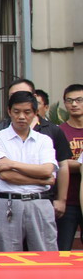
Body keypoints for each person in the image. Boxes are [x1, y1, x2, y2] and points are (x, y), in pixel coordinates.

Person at [0, 77, 72, 279]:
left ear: (36, 113)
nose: (22, 117)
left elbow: (48, 171)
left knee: (49, 265)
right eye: (17, 112)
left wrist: (13, 164)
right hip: (8, 204)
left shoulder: (44, 139)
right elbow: (5, 176)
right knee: (9, 267)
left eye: (27, 112)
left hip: (40, 204)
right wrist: (40, 177)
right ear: (9, 111)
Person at [57, 84, 83, 252]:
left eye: (79, 100)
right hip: (67, 202)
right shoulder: (59, 132)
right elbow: (57, 164)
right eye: (69, 100)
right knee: (62, 250)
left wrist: (69, 164)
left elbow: (65, 163)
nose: (74, 104)